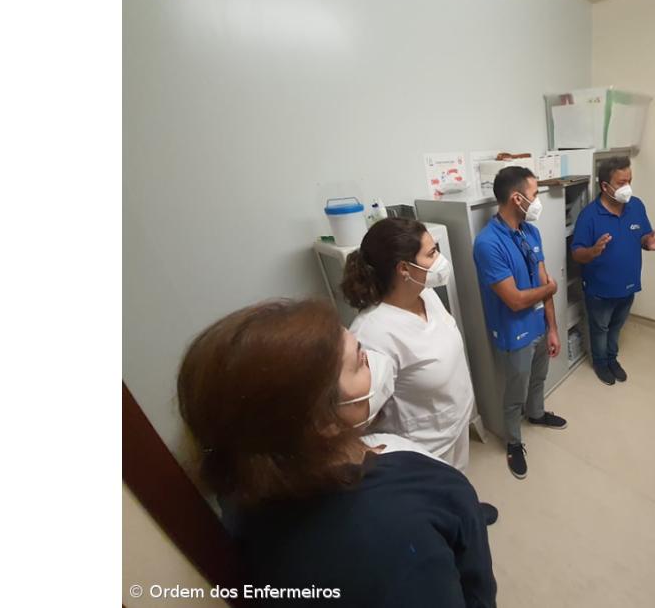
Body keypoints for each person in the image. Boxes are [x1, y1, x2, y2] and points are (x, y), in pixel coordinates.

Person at [177, 299, 497, 607]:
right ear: (323, 422)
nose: (372, 359)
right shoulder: (412, 510)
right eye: (360, 361)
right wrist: (457, 512)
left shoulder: (241, 491)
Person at [342, 217, 498, 522]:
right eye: (431, 253)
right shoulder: (373, 334)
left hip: (455, 422)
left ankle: (466, 508)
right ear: (404, 268)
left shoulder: (425, 295)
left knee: (459, 483)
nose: (440, 259)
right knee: (439, 505)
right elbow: (361, 416)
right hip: (425, 445)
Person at [473, 166, 568, 480]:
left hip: (539, 324)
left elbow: (543, 280)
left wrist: (553, 328)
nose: (537, 200)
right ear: (517, 198)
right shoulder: (488, 244)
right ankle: (513, 442)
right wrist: (550, 289)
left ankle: (537, 414)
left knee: (539, 377)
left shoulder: (531, 232)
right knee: (515, 392)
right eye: (534, 194)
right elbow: (514, 300)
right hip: (515, 332)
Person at [571, 156, 655, 384]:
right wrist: (593, 251)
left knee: (616, 326)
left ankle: (612, 358)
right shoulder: (589, 216)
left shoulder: (636, 206)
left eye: (629, 181)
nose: (627, 187)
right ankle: (601, 363)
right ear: (605, 186)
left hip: (628, 285)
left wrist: (649, 243)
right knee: (600, 329)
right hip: (600, 289)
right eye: (621, 182)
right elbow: (576, 253)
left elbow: (643, 236)